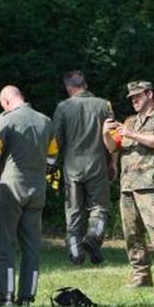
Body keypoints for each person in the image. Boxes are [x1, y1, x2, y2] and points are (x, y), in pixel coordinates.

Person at [0, 85, 59, 307]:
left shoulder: (4, 121)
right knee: (31, 247)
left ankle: (6, 297)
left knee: (4, 244)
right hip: (37, 189)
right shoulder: (45, 121)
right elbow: (52, 158)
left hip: (11, 187)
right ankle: (27, 298)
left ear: (6, 101)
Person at [102, 80, 154, 290]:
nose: (134, 100)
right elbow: (112, 148)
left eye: (138, 96)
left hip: (150, 184)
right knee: (131, 233)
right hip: (128, 185)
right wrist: (105, 133)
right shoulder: (129, 121)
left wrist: (132, 134)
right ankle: (140, 275)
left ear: (149, 94)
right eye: (132, 98)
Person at [51, 71, 116, 266]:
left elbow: (56, 141)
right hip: (97, 164)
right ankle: (94, 237)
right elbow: (114, 136)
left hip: (72, 168)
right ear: (86, 85)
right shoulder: (104, 105)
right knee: (100, 208)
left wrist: (51, 165)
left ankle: (75, 252)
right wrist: (114, 162)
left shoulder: (62, 108)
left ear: (69, 88)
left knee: (73, 210)